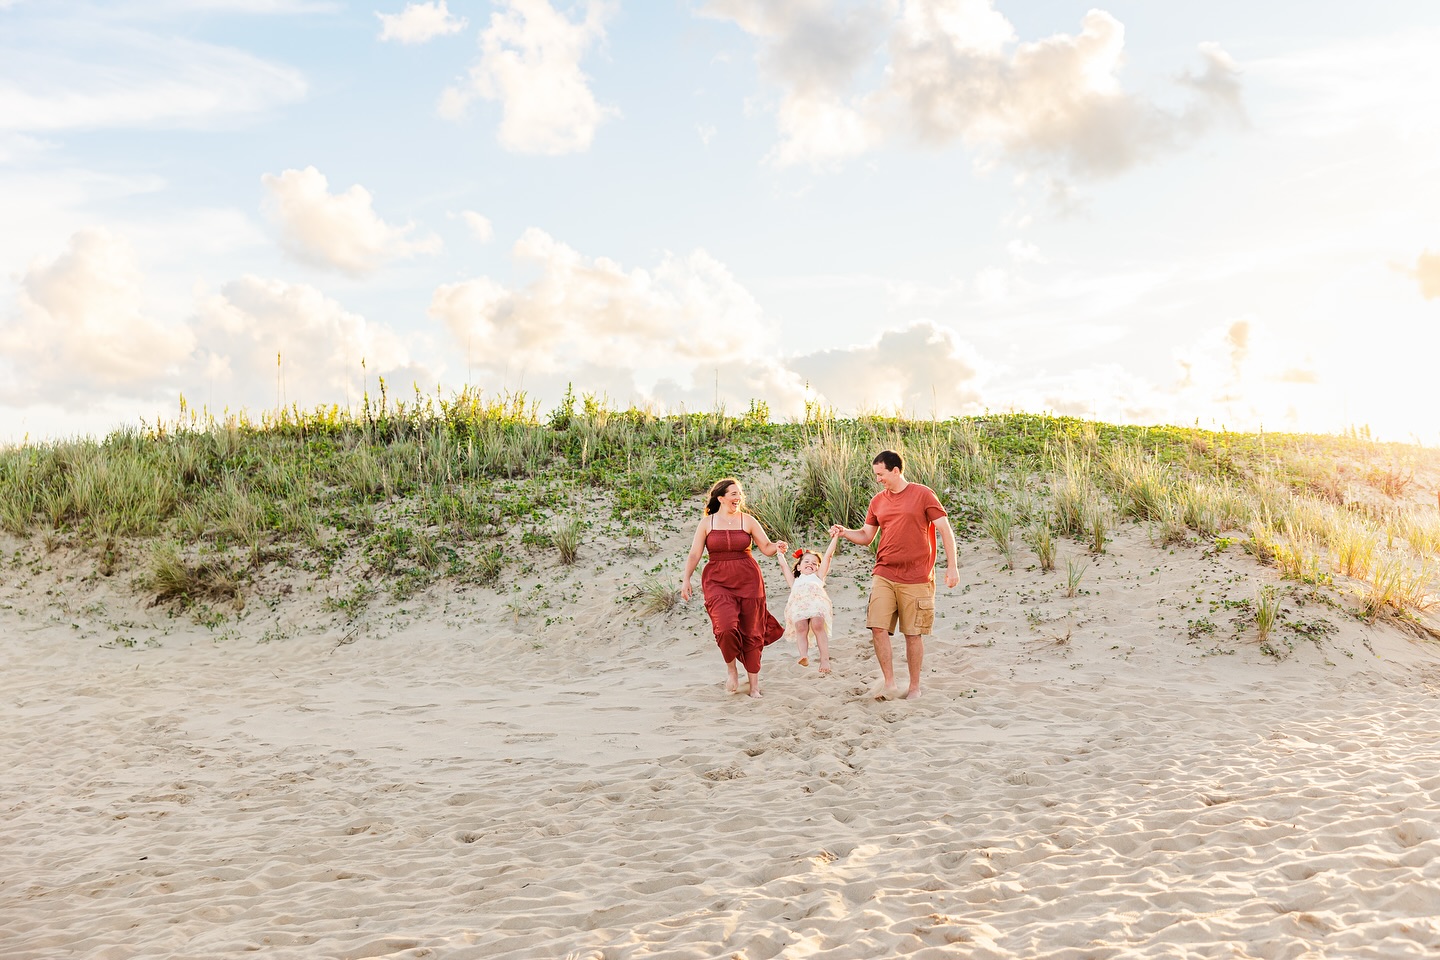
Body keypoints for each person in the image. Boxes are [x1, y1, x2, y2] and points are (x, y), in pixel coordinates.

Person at [830, 450, 960, 699]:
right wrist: (845, 532)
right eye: (875, 475)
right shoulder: (878, 501)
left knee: (912, 634)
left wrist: (951, 566)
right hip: (885, 572)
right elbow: (867, 537)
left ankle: (914, 688)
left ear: (896, 471)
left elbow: (945, 529)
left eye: (881, 474)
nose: (878, 479)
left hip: (917, 576)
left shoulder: (923, 494)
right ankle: (889, 683)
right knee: (877, 627)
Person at [680, 478, 787, 698]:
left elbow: (766, 548)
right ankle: (732, 670)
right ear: (721, 498)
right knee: (725, 627)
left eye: (739, 494)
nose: (738, 498)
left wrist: (777, 546)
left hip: (748, 580)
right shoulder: (707, 523)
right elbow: (694, 554)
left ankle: (754, 685)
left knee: (752, 630)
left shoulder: (747, 520)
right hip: (717, 580)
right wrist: (686, 579)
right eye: (733, 494)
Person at [775, 534, 840, 675]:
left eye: (814, 563)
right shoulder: (794, 581)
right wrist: (780, 552)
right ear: (798, 567)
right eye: (806, 561)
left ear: (817, 568)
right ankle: (803, 655)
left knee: (817, 624)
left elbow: (828, 556)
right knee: (801, 627)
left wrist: (835, 538)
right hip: (799, 605)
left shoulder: (818, 577)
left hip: (816, 603)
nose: (810, 564)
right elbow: (783, 566)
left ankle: (824, 659)